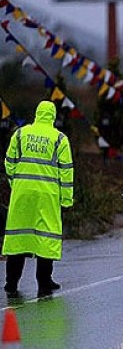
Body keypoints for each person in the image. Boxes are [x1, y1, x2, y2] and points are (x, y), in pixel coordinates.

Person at [3, 100, 74, 298]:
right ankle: (44, 283)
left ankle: (11, 283)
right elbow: (66, 172)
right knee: (46, 237)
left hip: (22, 194)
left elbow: (9, 162)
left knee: (18, 238)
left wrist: (16, 183)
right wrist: (66, 200)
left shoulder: (20, 134)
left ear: (36, 114)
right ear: (52, 116)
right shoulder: (59, 139)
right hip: (47, 195)